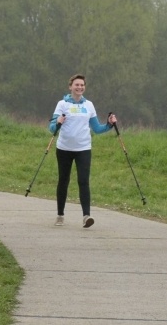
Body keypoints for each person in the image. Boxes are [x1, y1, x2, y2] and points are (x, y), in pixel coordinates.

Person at [49, 74, 116, 228]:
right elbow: (52, 128)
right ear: (70, 87)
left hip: (83, 149)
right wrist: (57, 122)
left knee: (83, 181)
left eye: (82, 85)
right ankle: (60, 215)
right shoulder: (62, 104)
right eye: (76, 85)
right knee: (63, 181)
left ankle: (86, 216)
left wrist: (110, 124)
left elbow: (98, 129)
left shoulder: (89, 105)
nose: (79, 87)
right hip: (64, 148)